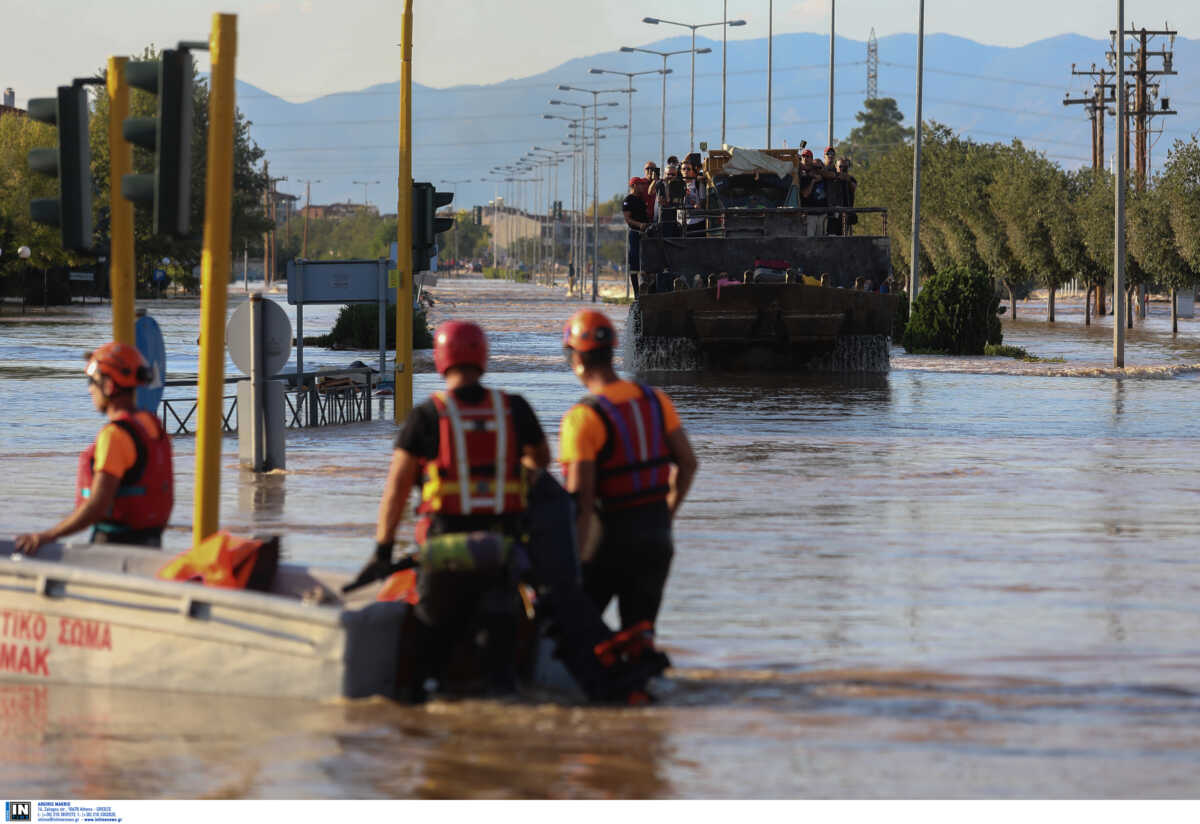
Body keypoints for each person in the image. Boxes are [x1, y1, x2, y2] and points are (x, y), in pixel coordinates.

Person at [370, 320, 551, 700]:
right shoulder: (514, 409)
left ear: (440, 359)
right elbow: (541, 460)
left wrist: (383, 549)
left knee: (425, 651)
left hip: (443, 553)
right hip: (499, 551)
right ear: (482, 357)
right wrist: (516, 484)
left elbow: (397, 489)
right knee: (499, 666)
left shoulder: (425, 417)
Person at [559, 310, 698, 634]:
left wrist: (573, 564)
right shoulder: (656, 400)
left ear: (577, 359)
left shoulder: (582, 418)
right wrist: (666, 514)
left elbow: (581, 500)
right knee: (639, 636)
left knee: (575, 633)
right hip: (655, 538)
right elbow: (689, 463)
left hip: (609, 542)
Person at [16, 343, 173, 554]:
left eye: (92, 381)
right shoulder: (152, 425)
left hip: (113, 549)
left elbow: (97, 506)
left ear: (108, 385)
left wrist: (46, 536)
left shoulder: (115, 435)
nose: (90, 389)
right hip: (150, 545)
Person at [622, 177, 651, 297]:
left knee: (647, 261)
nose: (643, 187)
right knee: (634, 261)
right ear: (634, 186)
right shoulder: (628, 200)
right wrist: (640, 225)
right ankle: (636, 292)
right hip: (635, 233)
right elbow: (628, 219)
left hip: (646, 234)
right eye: (640, 185)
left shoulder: (642, 199)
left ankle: (646, 288)